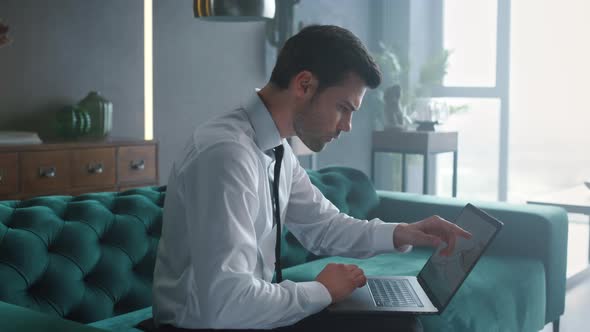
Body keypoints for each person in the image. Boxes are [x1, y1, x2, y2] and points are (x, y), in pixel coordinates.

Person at [150, 25, 471, 332]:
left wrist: (403, 233)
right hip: (205, 324)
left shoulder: (275, 148)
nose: (346, 126)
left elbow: (324, 227)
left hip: (245, 314)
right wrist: (321, 291)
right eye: (343, 108)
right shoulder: (227, 154)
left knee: (395, 320)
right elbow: (224, 303)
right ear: (304, 85)